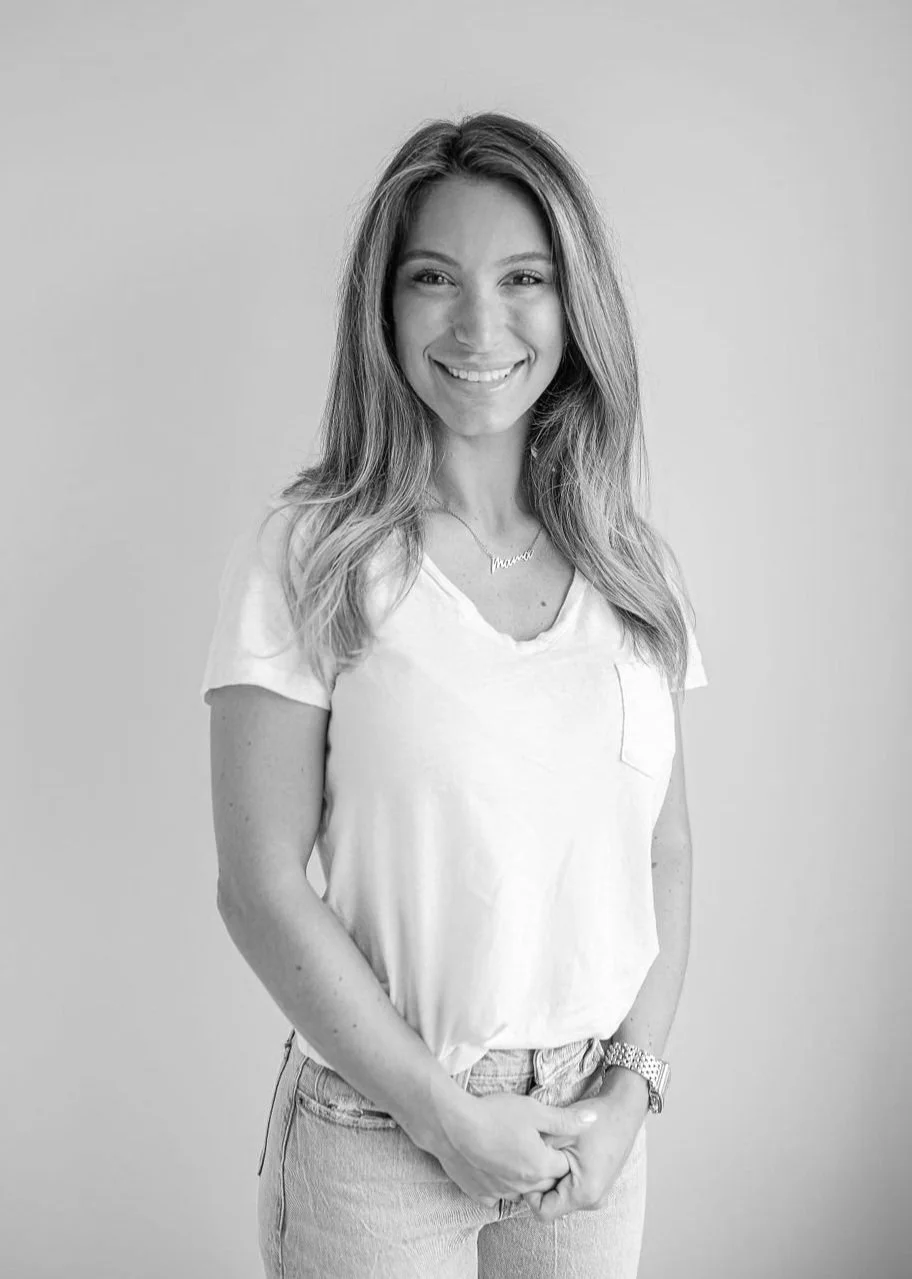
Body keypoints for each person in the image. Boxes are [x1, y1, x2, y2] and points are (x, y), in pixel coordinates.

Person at [201, 111, 709, 1279]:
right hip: (376, 1132)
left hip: (591, 1130)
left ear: (574, 304)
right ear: (383, 310)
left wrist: (634, 1085)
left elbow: (665, 856)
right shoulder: (309, 556)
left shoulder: (633, 569)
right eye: (435, 278)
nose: (481, 323)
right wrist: (441, 1111)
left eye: (523, 277)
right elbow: (259, 886)